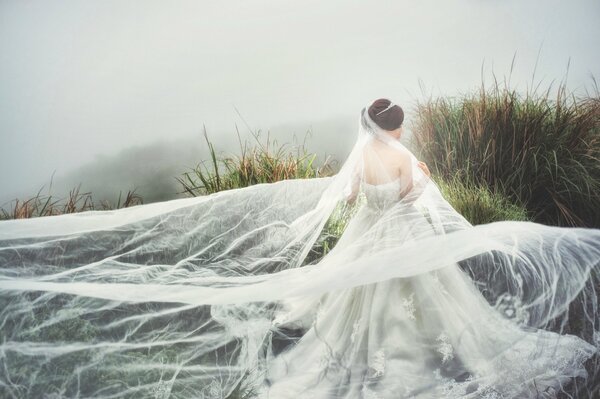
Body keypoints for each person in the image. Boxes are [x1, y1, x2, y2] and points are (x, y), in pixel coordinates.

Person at [0, 98, 598, 399]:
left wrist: (386, 193)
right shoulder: (401, 156)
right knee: (433, 294)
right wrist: (417, 179)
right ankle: (418, 360)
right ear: (393, 126)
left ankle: (364, 360)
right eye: (402, 124)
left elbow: (353, 198)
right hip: (402, 231)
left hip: (369, 231)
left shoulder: (363, 155)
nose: (404, 132)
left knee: (362, 298)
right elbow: (413, 195)